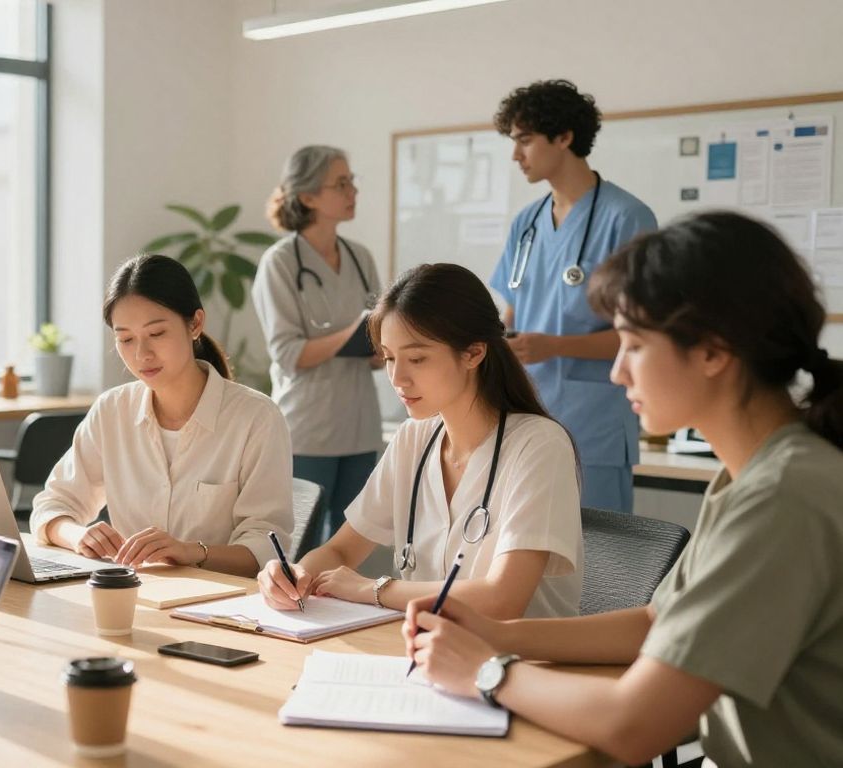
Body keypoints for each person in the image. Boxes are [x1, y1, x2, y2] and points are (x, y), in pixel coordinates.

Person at [404, 212, 843, 766]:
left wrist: (485, 672)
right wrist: (497, 634)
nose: (617, 373)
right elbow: (658, 623)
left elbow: (633, 726)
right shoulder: (754, 473)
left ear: (713, 351)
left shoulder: (783, 494)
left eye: (633, 346)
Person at [259, 263, 582, 619]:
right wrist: (295, 574)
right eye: (389, 358)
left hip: (519, 663)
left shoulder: (538, 446)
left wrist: (373, 589)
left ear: (474, 353)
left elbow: (502, 598)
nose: (397, 378)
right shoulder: (414, 438)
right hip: (428, 653)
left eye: (416, 358)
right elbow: (339, 551)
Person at [30, 253, 294, 577]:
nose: (141, 354)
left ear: (195, 324)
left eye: (156, 334)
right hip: (134, 596)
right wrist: (79, 535)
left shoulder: (256, 418)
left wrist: (190, 552)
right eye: (125, 339)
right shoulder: (112, 412)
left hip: (221, 605)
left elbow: (267, 549)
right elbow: (51, 506)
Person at [489, 79, 657, 514]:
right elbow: (513, 311)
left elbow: (645, 335)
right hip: (526, 417)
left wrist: (555, 347)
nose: (515, 155)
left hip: (594, 425)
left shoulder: (627, 218)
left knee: (601, 564)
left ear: (564, 137)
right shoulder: (526, 223)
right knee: (528, 560)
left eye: (524, 140)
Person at [253, 145, 385, 547]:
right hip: (308, 431)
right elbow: (289, 354)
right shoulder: (280, 263)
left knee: (351, 549)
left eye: (352, 182)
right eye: (341, 184)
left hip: (361, 429)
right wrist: (353, 333)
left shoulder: (360, 257)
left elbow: (379, 344)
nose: (353, 192)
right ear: (308, 196)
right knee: (301, 548)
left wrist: (385, 345)